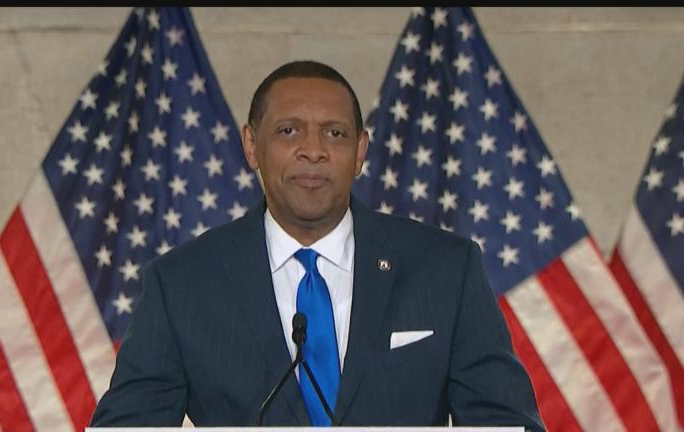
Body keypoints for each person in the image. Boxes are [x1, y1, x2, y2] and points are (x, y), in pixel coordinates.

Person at [90, 60, 545, 430]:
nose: (314, 150)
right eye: (289, 131)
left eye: (335, 133)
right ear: (251, 146)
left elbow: (505, 423)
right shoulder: (181, 283)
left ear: (361, 152)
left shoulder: (446, 269)